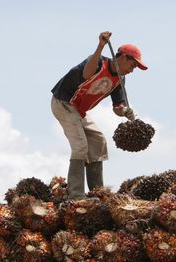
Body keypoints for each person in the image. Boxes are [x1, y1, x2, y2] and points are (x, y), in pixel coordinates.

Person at [51, 31, 148, 200]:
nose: (133, 71)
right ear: (124, 58)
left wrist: (125, 111)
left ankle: (97, 192)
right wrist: (100, 46)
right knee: (80, 147)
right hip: (63, 102)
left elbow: (117, 107)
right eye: (133, 66)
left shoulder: (120, 79)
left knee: (98, 140)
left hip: (78, 109)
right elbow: (87, 74)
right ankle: (76, 195)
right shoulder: (97, 62)